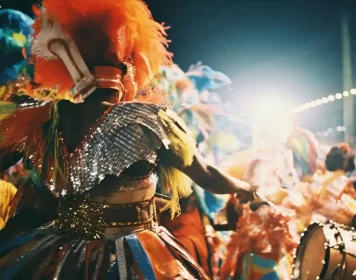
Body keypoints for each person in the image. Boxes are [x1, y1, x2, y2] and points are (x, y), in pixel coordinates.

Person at [0, 1, 255, 278]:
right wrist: (243, 187)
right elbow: (207, 175)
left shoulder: (43, 119)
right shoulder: (149, 120)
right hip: (132, 256)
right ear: (129, 68)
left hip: (55, 257)